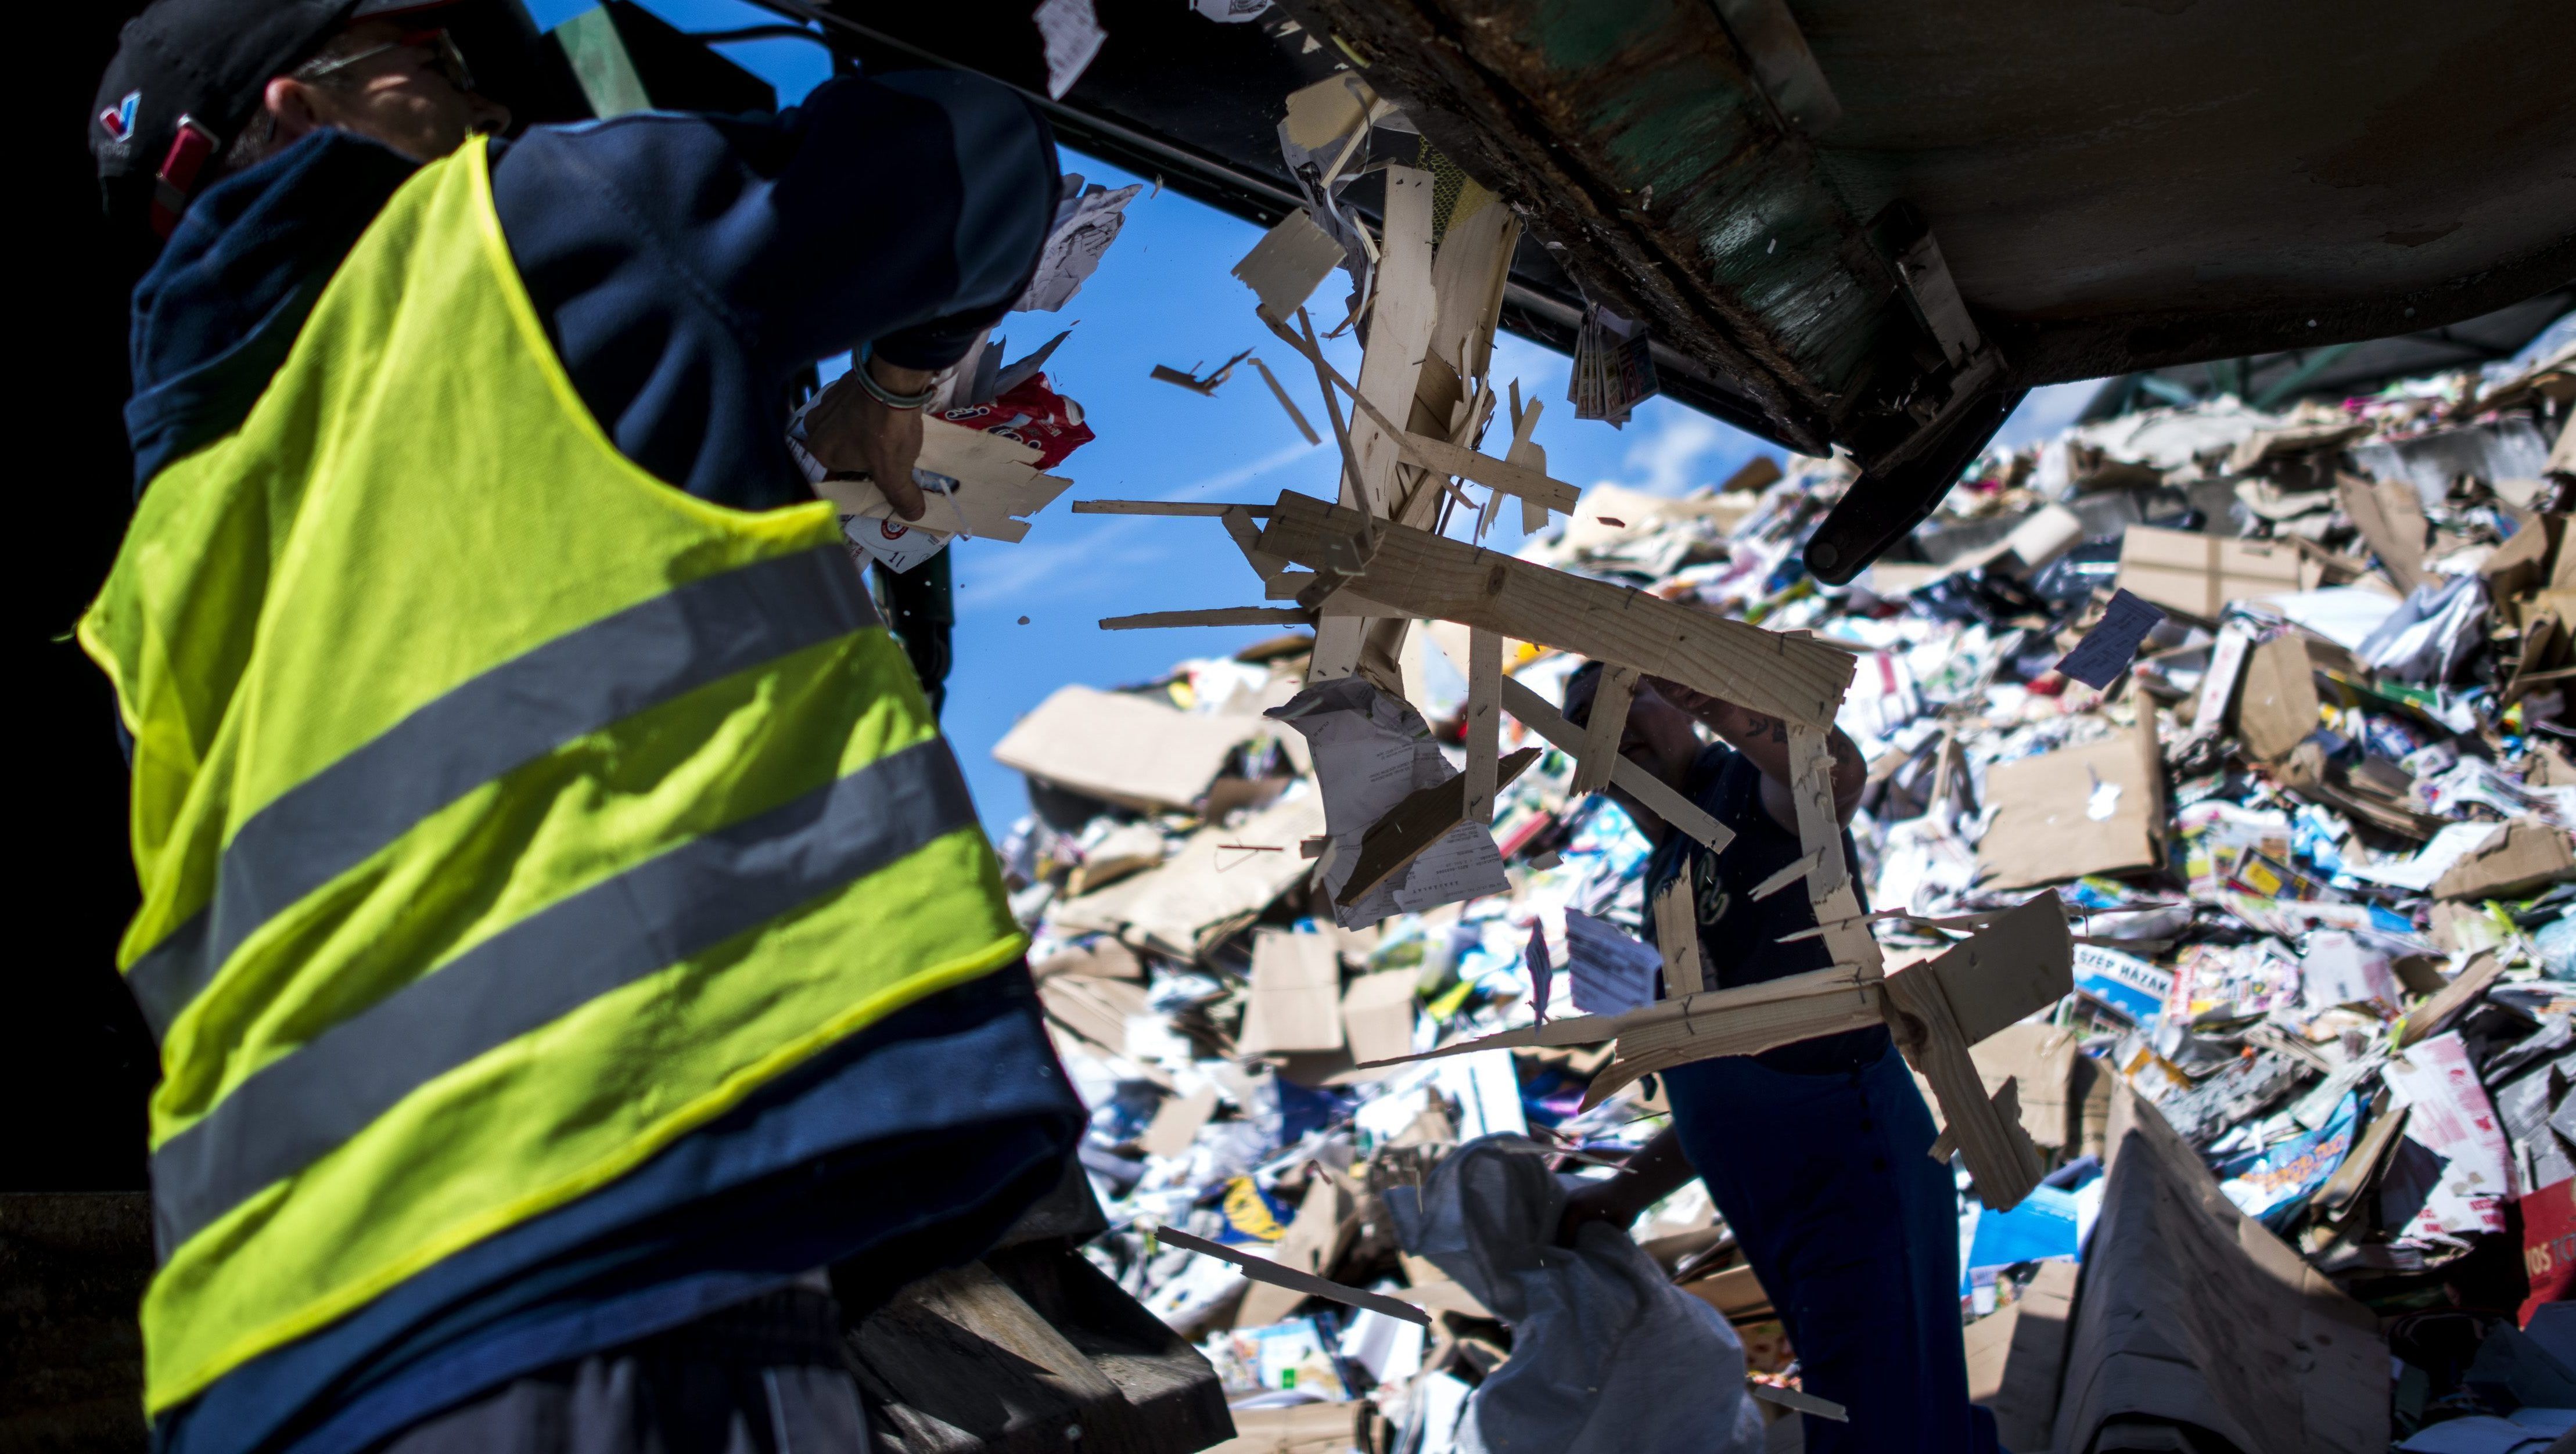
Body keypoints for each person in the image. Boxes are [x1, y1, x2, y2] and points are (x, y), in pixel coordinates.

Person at [81, 2, 1083, 1449]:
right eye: (431, 57)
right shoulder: (541, 222)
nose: (487, 96)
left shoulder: (159, 558)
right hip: (604, 1242)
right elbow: (982, 158)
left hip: (262, 1352)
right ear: (303, 116)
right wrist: (894, 384)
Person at [1554, 664, 2000, 1454]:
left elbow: (1830, 773)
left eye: (1631, 696)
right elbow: (1714, 1088)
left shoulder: (1742, 791)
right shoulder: (1664, 875)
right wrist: (1622, 1193)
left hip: (1851, 1173)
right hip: (1785, 1208)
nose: (1613, 726)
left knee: (1878, 1425)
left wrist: (1726, 694)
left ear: (1681, 710)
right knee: (1903, 1405)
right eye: (1586, 719)